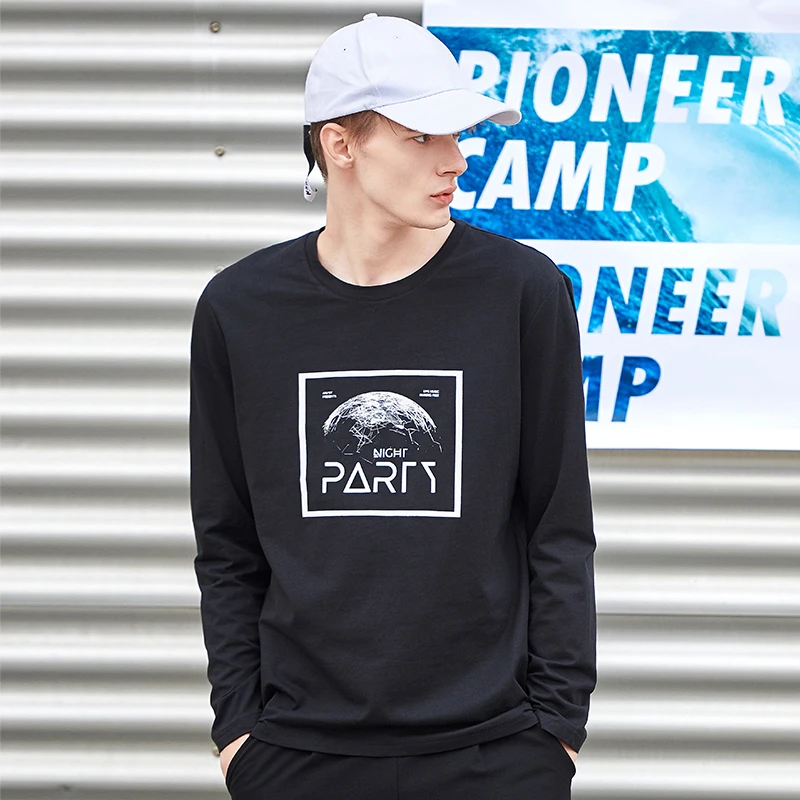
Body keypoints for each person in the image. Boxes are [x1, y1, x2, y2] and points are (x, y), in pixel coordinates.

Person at [190, 12, 596, 800]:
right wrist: (239, 730)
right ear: (340, 145)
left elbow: (558, 525)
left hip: (494, 752)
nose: (457, 159)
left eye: (458, 135)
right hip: (296, 754)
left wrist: (556, 732)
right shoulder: (241, 310)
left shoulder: (521, 293)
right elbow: (227, 540)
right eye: (422, 137)